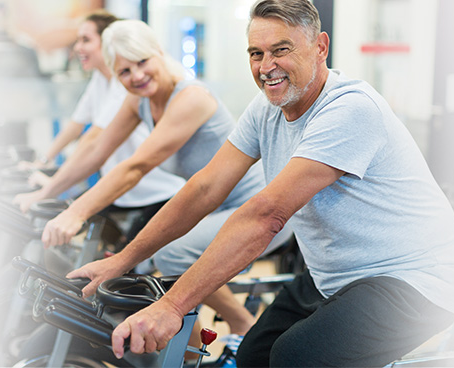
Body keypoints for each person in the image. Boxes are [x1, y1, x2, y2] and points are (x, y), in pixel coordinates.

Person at [65, 0, 454, 366]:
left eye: (281, 50)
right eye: (256, 54)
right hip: (335, 275)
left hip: (416, 281)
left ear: (320, 47)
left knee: (295, 358)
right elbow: (206, 187)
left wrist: (171, 306)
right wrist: (120, 261)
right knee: (255, 357)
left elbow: (267, 214)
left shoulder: (349, 110)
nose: (265, 66)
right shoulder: (267, 108)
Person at [15, 18, 290, 344]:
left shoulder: (191, 98)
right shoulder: (140, 100)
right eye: (125, 72)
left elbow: (136, 166)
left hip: (256, 207)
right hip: (213, 207)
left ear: (159, 52)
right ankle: (189, 352)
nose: (137, 76)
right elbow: (97, 151)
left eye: (143, 62)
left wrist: (76, 213)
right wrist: (43, 194)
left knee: (172, 254)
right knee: (144, 269)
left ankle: (241, 324)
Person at [14, 10, 187, 245]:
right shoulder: (102, 80)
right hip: (122, 190)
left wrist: (51, 187)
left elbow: (95, 143)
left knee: (133, 260)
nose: (77, 48)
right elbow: (76, 127)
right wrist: (44, 163)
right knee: (90, 237)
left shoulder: (127, 86)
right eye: (78, 40)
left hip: (156, 191)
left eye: (86, 40)